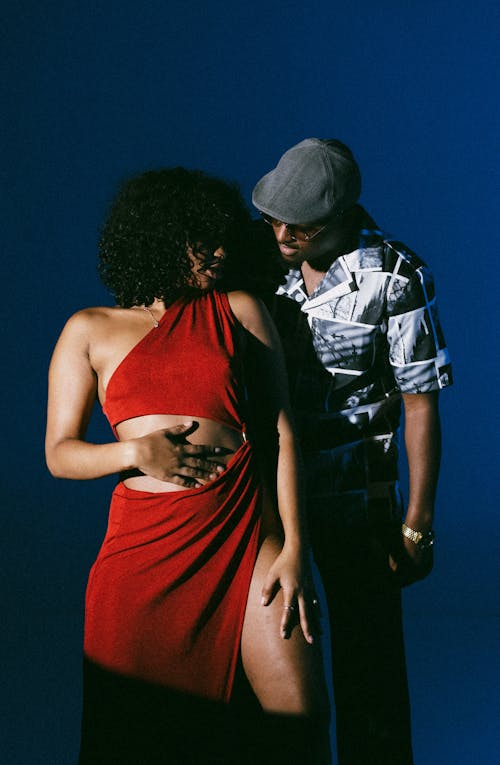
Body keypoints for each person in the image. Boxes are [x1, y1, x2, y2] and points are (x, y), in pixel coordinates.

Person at [45, 167, 330, 764]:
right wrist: (134, 452)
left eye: (224, 235)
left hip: (246, 537)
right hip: (141, 559)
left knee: (297, 728)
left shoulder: (240, 308)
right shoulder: (89, 329)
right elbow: (60, 454)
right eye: (203, 237)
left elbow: (281, 431)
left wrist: (296, 546)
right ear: (160, 236)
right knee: (136, 741)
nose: (221, 251)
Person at [251, 138, 453, 765]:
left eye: (300, 221)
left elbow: (421, 403)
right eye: (273, 216)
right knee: (271, 663)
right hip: (263, 494)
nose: (282, 232)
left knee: (371, 679)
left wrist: (416, 526)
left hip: (354, 500)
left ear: (340, 214)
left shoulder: (396, 273)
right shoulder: (259, 261)